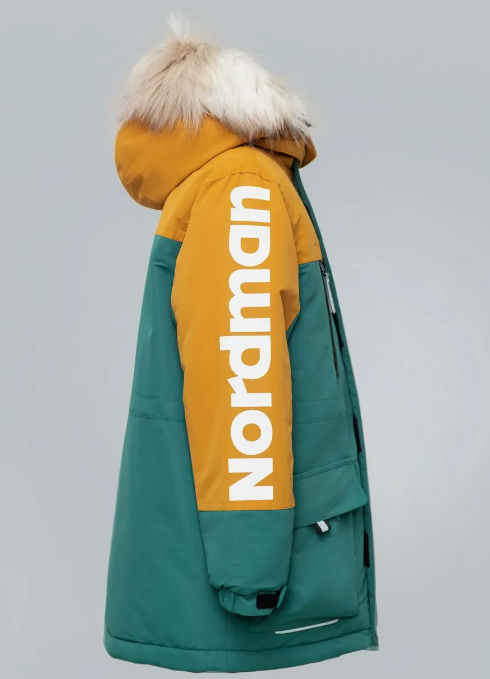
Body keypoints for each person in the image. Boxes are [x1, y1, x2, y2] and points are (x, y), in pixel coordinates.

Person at [104, 18, 377, 673]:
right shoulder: (241, 188)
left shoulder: (229, 183)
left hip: (214, 538)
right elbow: (240, 379)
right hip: (243, 566)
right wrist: (250, 566)